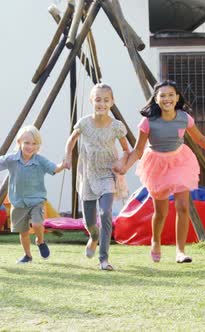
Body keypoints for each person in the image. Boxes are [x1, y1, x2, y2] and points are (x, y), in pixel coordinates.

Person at [121, 80, 205, 264]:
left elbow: (201, 139)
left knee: (183, 206)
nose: (167, 99)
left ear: (177, 97)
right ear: (156, 100)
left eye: (171, 95)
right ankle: (155, 241)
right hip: (157, 164)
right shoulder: (148, 122)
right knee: (161, 212)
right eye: (163, 95)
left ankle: (180, 251)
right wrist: (125, 167)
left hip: (180, 161)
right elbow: (138, 150)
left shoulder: (184, 117)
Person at [64, 83, 130, 271]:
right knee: (90, 223)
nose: (101, 103)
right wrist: (68, 157)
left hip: (107, 174)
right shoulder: (84, 123)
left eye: (106, 100)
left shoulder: (116, 126)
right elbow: (71, 140)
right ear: (92, 101)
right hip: (87, 175)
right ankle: (93, 237)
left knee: (106, 212)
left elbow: (126, 150)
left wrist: (122, 162)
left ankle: (104, 259)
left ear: (112, 102)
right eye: (98, 99)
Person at [0, 125, 66, 264]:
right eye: (26, 143)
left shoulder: (40, 161)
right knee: (24, 232)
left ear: (38, 146)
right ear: (19, 142)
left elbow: (54, 169)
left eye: (34, 144)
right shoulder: (12, 159)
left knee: (37, 224)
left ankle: (40, 241)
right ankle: (27, 255)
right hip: (18, 202)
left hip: (36, 200)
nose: (30, 147)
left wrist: (63, 164)